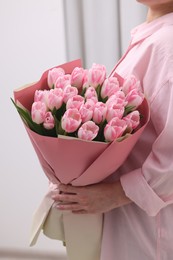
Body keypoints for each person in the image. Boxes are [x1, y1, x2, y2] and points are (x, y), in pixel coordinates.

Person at [52, 1, 173, 259]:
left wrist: (116, 194)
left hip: (151, 227)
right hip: (133, 219)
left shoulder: (168, 44)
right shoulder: (155, 35)